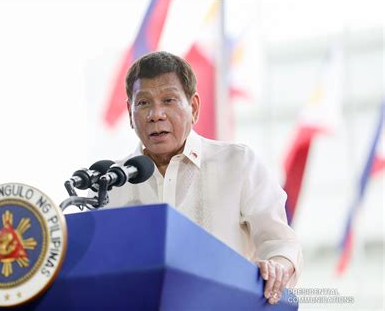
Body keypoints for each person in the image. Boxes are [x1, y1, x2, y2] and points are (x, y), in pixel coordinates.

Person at [105, 51, 302, 305]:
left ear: (194, 107)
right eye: (143, 103)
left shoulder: (238, 163)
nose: (156, 114)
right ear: (130, 113)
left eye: (169, 100)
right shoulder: (110, 183)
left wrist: (277, 266)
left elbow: (280, 242)